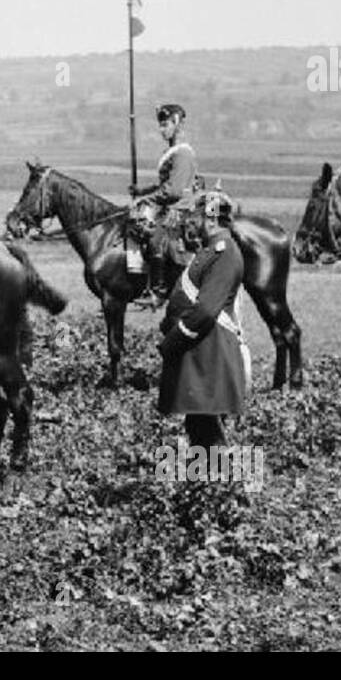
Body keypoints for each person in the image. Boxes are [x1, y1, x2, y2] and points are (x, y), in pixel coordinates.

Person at [156, 189, 248, 450]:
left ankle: (220, 486)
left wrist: (173, 341)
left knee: (209, 433)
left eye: (195, 217)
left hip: (208, 354)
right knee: (198, 427)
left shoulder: (224, 253)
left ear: (210, 219)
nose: (190, 223)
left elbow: (206, 310)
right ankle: (208, 484)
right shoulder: (211, 251)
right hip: (200, 354)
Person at [130, 103, 200, 303]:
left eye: (166, 124)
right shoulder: (171, 151)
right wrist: (142, 191)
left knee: (155, 236)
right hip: (169, 203)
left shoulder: (183, 153)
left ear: (176, 124)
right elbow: (165, 184)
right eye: (160, 125)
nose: (162, 130)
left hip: (180, 206)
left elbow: (174, 190)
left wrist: (146, 199)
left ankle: (159, 291)